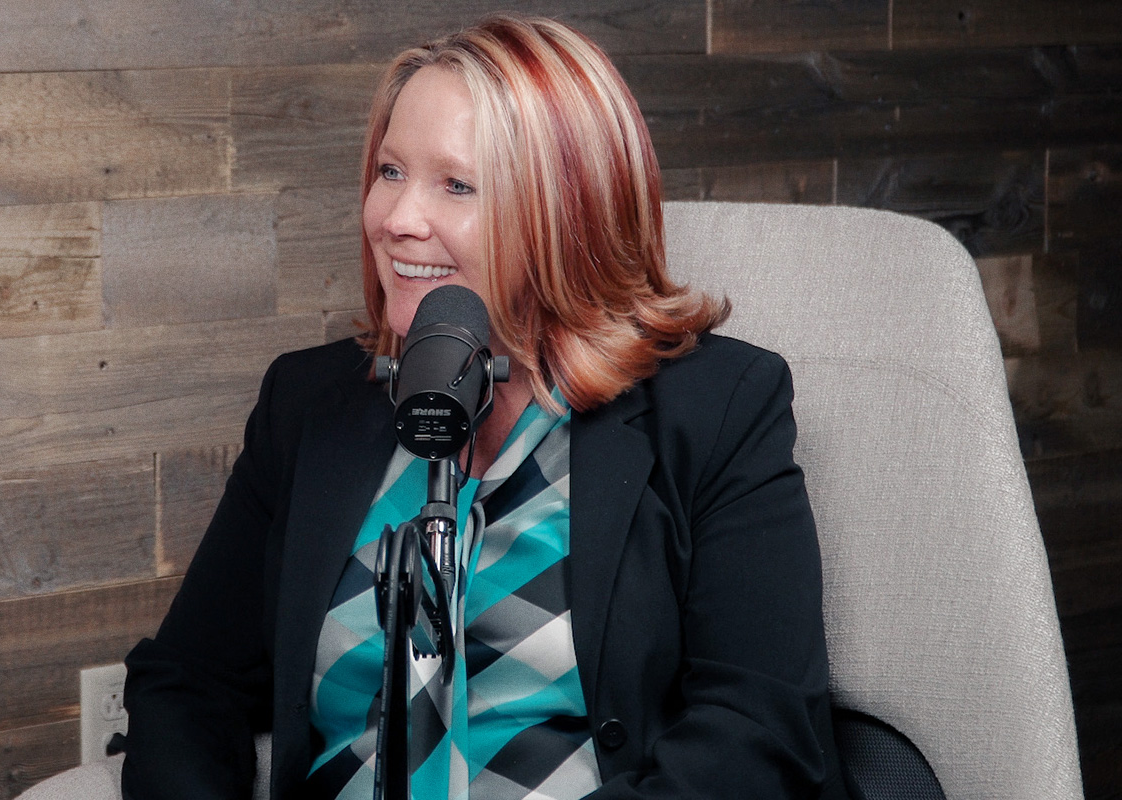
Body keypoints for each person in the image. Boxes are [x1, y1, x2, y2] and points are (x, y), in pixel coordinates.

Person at [122, 13, 852, 800]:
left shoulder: (715, 411)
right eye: (390, 171)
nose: (397, 218)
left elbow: (758, 731)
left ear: (566, 214)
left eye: (456, 185)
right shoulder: (308, 407)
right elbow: (188, 683)